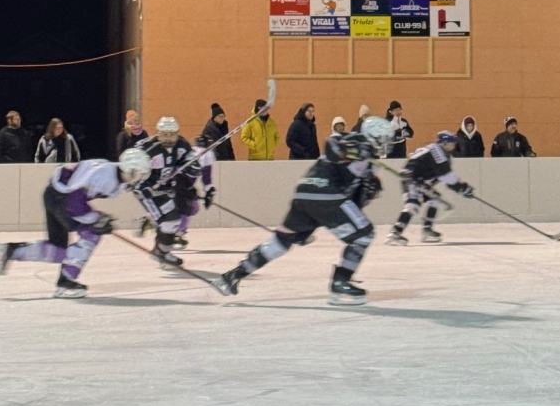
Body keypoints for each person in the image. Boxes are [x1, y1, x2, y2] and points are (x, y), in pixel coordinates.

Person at [212, 117, 393, 306]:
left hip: (306, 194)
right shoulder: (357, 139)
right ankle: (341, 283)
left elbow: (354, 203)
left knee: (280, 242)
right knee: (364, 235)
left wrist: (369, 191)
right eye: (385, 139)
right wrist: (354, 150)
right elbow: (331, 144)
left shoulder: (369, 164)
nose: (387, 144)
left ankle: (234, 275)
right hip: (325, 193)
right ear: (376, 136)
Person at [0, 149, 152, 298]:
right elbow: (74, 202)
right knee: (91, 235)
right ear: (130, 170)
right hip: (63, 199)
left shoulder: (115, 175)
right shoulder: (105, 176)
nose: (140, 178)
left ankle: (11, 250)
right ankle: (65, 282)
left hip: (55, 194)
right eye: (139, 174)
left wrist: (97, 218)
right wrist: (95, 219)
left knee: (57, 250)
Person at [386, 131, 475, 246]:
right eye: (452, 143)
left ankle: (427, 230)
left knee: (435, 199)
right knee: (412, 206)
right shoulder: (438, 152)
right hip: (412, 179)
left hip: (419, 180)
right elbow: (447, 177)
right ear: (444, 143)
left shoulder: (439, 152)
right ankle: (395, 233)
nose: (454, 145)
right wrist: (463, 189)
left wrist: (460, 188)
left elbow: (444, 177)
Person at [134, 117, 200, 266]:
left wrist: (192, 168)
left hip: (165, 190)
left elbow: (190, 159)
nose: (168, 138)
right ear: (158, 133)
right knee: (167, 221)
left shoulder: (181, 144)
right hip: (148, 193)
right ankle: (161, 250)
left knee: (174, 221)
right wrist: (141, 186)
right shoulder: (148, 149)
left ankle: (163, 251)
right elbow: (132, 170)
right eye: (165, 134)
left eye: (172, 134)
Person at [173, 135, 217, 249]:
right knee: (189, 208)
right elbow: (206, 176)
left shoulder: (190, 150)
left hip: (177, 182)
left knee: (188, 208)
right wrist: (208, 191)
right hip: (182, 183)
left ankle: (174, 232)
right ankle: (177, 235)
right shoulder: (207, 154)